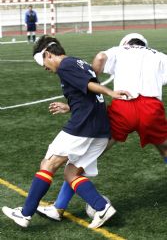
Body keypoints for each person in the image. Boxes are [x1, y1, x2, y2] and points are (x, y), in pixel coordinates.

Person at [2, 35, 130, 229]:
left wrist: (110, 92)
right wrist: (69, 107)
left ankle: (24, 213)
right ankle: (101, 207)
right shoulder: (78, 62)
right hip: (101, 128)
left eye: (43, 63)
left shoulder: (65, 66)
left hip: (83, 126)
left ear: (48, 54)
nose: (45, 68)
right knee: (71, 173)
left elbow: (89, 86)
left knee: (48, 163)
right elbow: (86, 95)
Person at [36, 33, 167, 222]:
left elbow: (100, 57)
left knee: (83, 158)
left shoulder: (120, 50)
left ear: (126, 43)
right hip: (151, 108)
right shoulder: (158, 55)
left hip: (123, 106)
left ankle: (59, 207)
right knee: (164, 149)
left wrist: (88, 83)